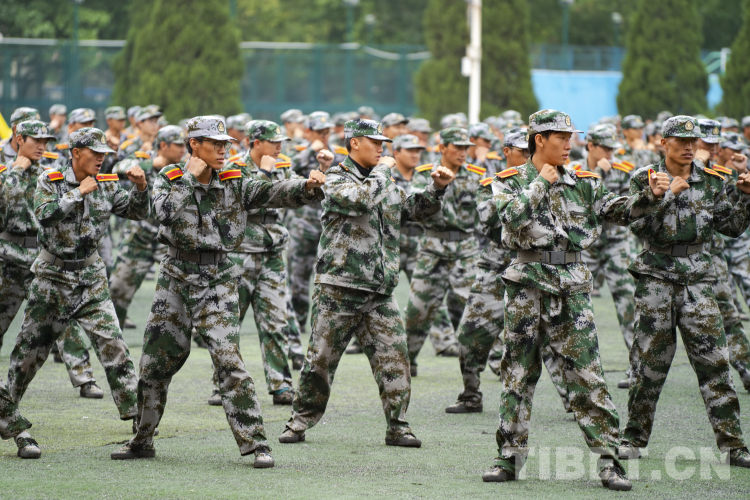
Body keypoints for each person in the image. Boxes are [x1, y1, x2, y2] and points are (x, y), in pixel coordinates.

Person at [113, 116, 325, 467]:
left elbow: (272, 192)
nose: (224, 150)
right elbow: (162, 213)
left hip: (218, 279)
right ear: (194, 144)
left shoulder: (234, 179)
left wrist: (307, 186)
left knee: (229, 361)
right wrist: (189, 178)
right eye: (215, 144)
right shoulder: (170, 177)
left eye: (226, 144)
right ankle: (142, 439)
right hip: (176, 278)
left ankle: (256, 443)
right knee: (154, 364)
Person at [481, 109, 673, 490]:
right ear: (539, 139)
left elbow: (619, 210)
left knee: (587, 374)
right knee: (517, 375)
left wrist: (649, 195)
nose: (570, 144)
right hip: (526, 286)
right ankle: (508, 458)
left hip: (571, 286)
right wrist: (540, 182)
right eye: (561, 138)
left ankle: (609, 460)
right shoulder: (508, 181)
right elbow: (511, 217)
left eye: (571, 138)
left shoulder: (584, 183)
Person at [278, 118, 455, 448]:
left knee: (395, 360)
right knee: (320, 362)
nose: (380, 149)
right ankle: (299, 421)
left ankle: (398, 426)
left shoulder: (381, 179)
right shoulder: (335, 177)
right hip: (340, 287)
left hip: (379, 290)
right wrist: (383, 171)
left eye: (382, 143)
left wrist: (436, 190)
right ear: (354, 143)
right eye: (374, 142)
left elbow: (408, 210)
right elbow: (359, 200)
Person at [621, 115, 750, 469]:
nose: (689, 147)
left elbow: (731, 227)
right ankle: (633, 439)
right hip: (656, 278)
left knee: (715, 364)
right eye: (681, 141)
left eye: (693, 141)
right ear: (664, 143)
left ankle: (734, 444)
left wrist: (745, 198)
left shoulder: (712, 181)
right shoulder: (645, 178)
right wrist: (666, 195)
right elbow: (638, 225)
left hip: (698, 281)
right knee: (648, 366)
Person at [6, 127, 150, 432]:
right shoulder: (51, 179)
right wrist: (78, 193)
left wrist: (140, 188)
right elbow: (44, 214)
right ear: (76, 153)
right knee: (28, 354)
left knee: (115, 346)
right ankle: (8, 413)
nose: (101, 159)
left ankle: (139, 422)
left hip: (91, 280)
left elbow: (137, 213)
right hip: (52, 280)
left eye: (103, 154)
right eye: (95, 153)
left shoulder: (107, 185)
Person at [444, 127, 571, 414]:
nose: (528, 156)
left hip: (537, 270)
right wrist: (533, 191)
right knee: (471, 334)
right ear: (507, 152)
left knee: (550, 339)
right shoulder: (493, 183)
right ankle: (470, 395)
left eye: (530, 151)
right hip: (496, 267)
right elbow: (493, 222)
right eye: (522, 152)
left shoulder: (558, 180)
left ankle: (573, 401)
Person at [0, 120, 103, 398]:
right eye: (36, 140)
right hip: (9, 257)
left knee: (64, 320)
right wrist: (16, 170)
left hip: (44, 257)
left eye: (45, 141)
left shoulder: (51, 172)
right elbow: (4, 202)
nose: (42, 146)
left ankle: (84, 378)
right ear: (19, 139)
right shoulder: (5, 169)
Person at [213, 120, 308, 406]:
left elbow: (293, 194)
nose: (279, 147)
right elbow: (244, 202)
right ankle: (222, 384)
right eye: (273, 141)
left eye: (281, 142)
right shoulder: (234, 168)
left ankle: (281, 385)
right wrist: (265, 174)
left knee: (276, 322)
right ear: (255, 143)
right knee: (229, 323)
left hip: (272, 254)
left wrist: (310, 183)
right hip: (239, 254)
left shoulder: (282, 166)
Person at [404, 127, 483, 376]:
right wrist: (436, 186)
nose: (463, 152)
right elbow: (414, 207)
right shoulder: (424, 174)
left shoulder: (477, 176)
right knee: (417, 312)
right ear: (442, 148)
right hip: (433, 249)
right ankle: (407, 362)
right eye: (458, 147)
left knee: (479, 311)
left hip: (466, 251)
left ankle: (496, 365)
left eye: (466, 147)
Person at [572, 124, 638, 390]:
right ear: (590, 146)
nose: (610, 153)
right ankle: (579, 372)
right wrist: (598, 174)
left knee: (628, 302)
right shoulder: (574, 171)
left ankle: (638, 368)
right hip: (586, 245)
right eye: (605, 148)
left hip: (615, 244)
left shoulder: (622, 171)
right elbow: (578, 202)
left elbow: (626, 207)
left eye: (613, 148)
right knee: (575, 304)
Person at [108, 126, 187, 329]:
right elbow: (118, 168)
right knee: (117, 289)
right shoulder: (145, 157)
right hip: (139, 237)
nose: (182, 149)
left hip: (170, 239)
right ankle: (112, 330)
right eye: (178, 145)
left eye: (183, 145)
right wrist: (150, 164)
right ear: (163, 145)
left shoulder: (186, 166)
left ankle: (195, 333)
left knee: (185, 290)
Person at [287, 112, 346, 334]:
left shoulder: (339, 152)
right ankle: (299, 322)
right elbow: (288, 169)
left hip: (330, 221)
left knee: (331, 275)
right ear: (309, 131)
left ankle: (325, 324)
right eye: (319, 131)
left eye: (327, 131)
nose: (324, 135)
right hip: (303, 221)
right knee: (299, 274)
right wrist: (310, 151)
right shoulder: (299, 151)